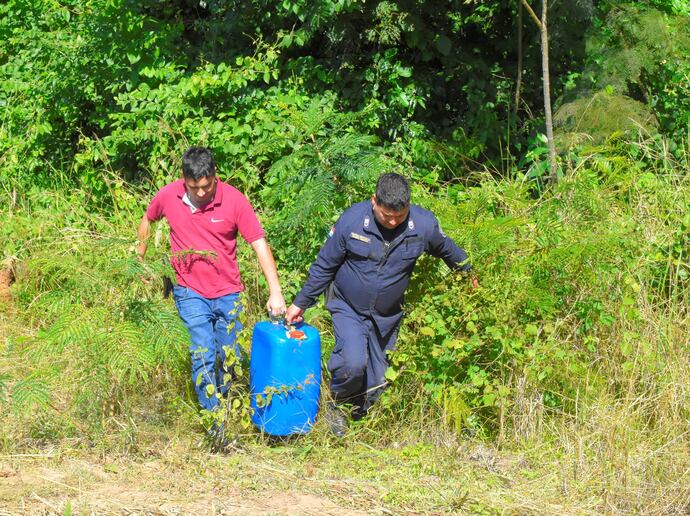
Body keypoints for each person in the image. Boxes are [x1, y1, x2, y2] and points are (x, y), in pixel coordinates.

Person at [285, 173, 477, 436]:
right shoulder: (352, 221)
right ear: (374, 201)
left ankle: (358, 419)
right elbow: (325, 264)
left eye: (400, 215)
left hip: (388, 314)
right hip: (348, 305)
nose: (393, 221)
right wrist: (300, 303)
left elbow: (448, 250)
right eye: (387, 215)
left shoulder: (423, 225)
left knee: (377, 383)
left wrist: (471, 276)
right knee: (352, 363)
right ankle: (336, 407)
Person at [137, 147, 286, 449]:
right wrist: (138, 261)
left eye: (207, 185)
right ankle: (214, 425)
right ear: (184, 181)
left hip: (229, 292)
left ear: (215, 176)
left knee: (230, 358)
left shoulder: (234, 200)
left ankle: (229, 408)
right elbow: (148, 219)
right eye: (195, 187)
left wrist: (275, 291)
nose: (203, 192)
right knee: (202, 354)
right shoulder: (168, 196)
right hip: (189, 291)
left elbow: (258, 243)